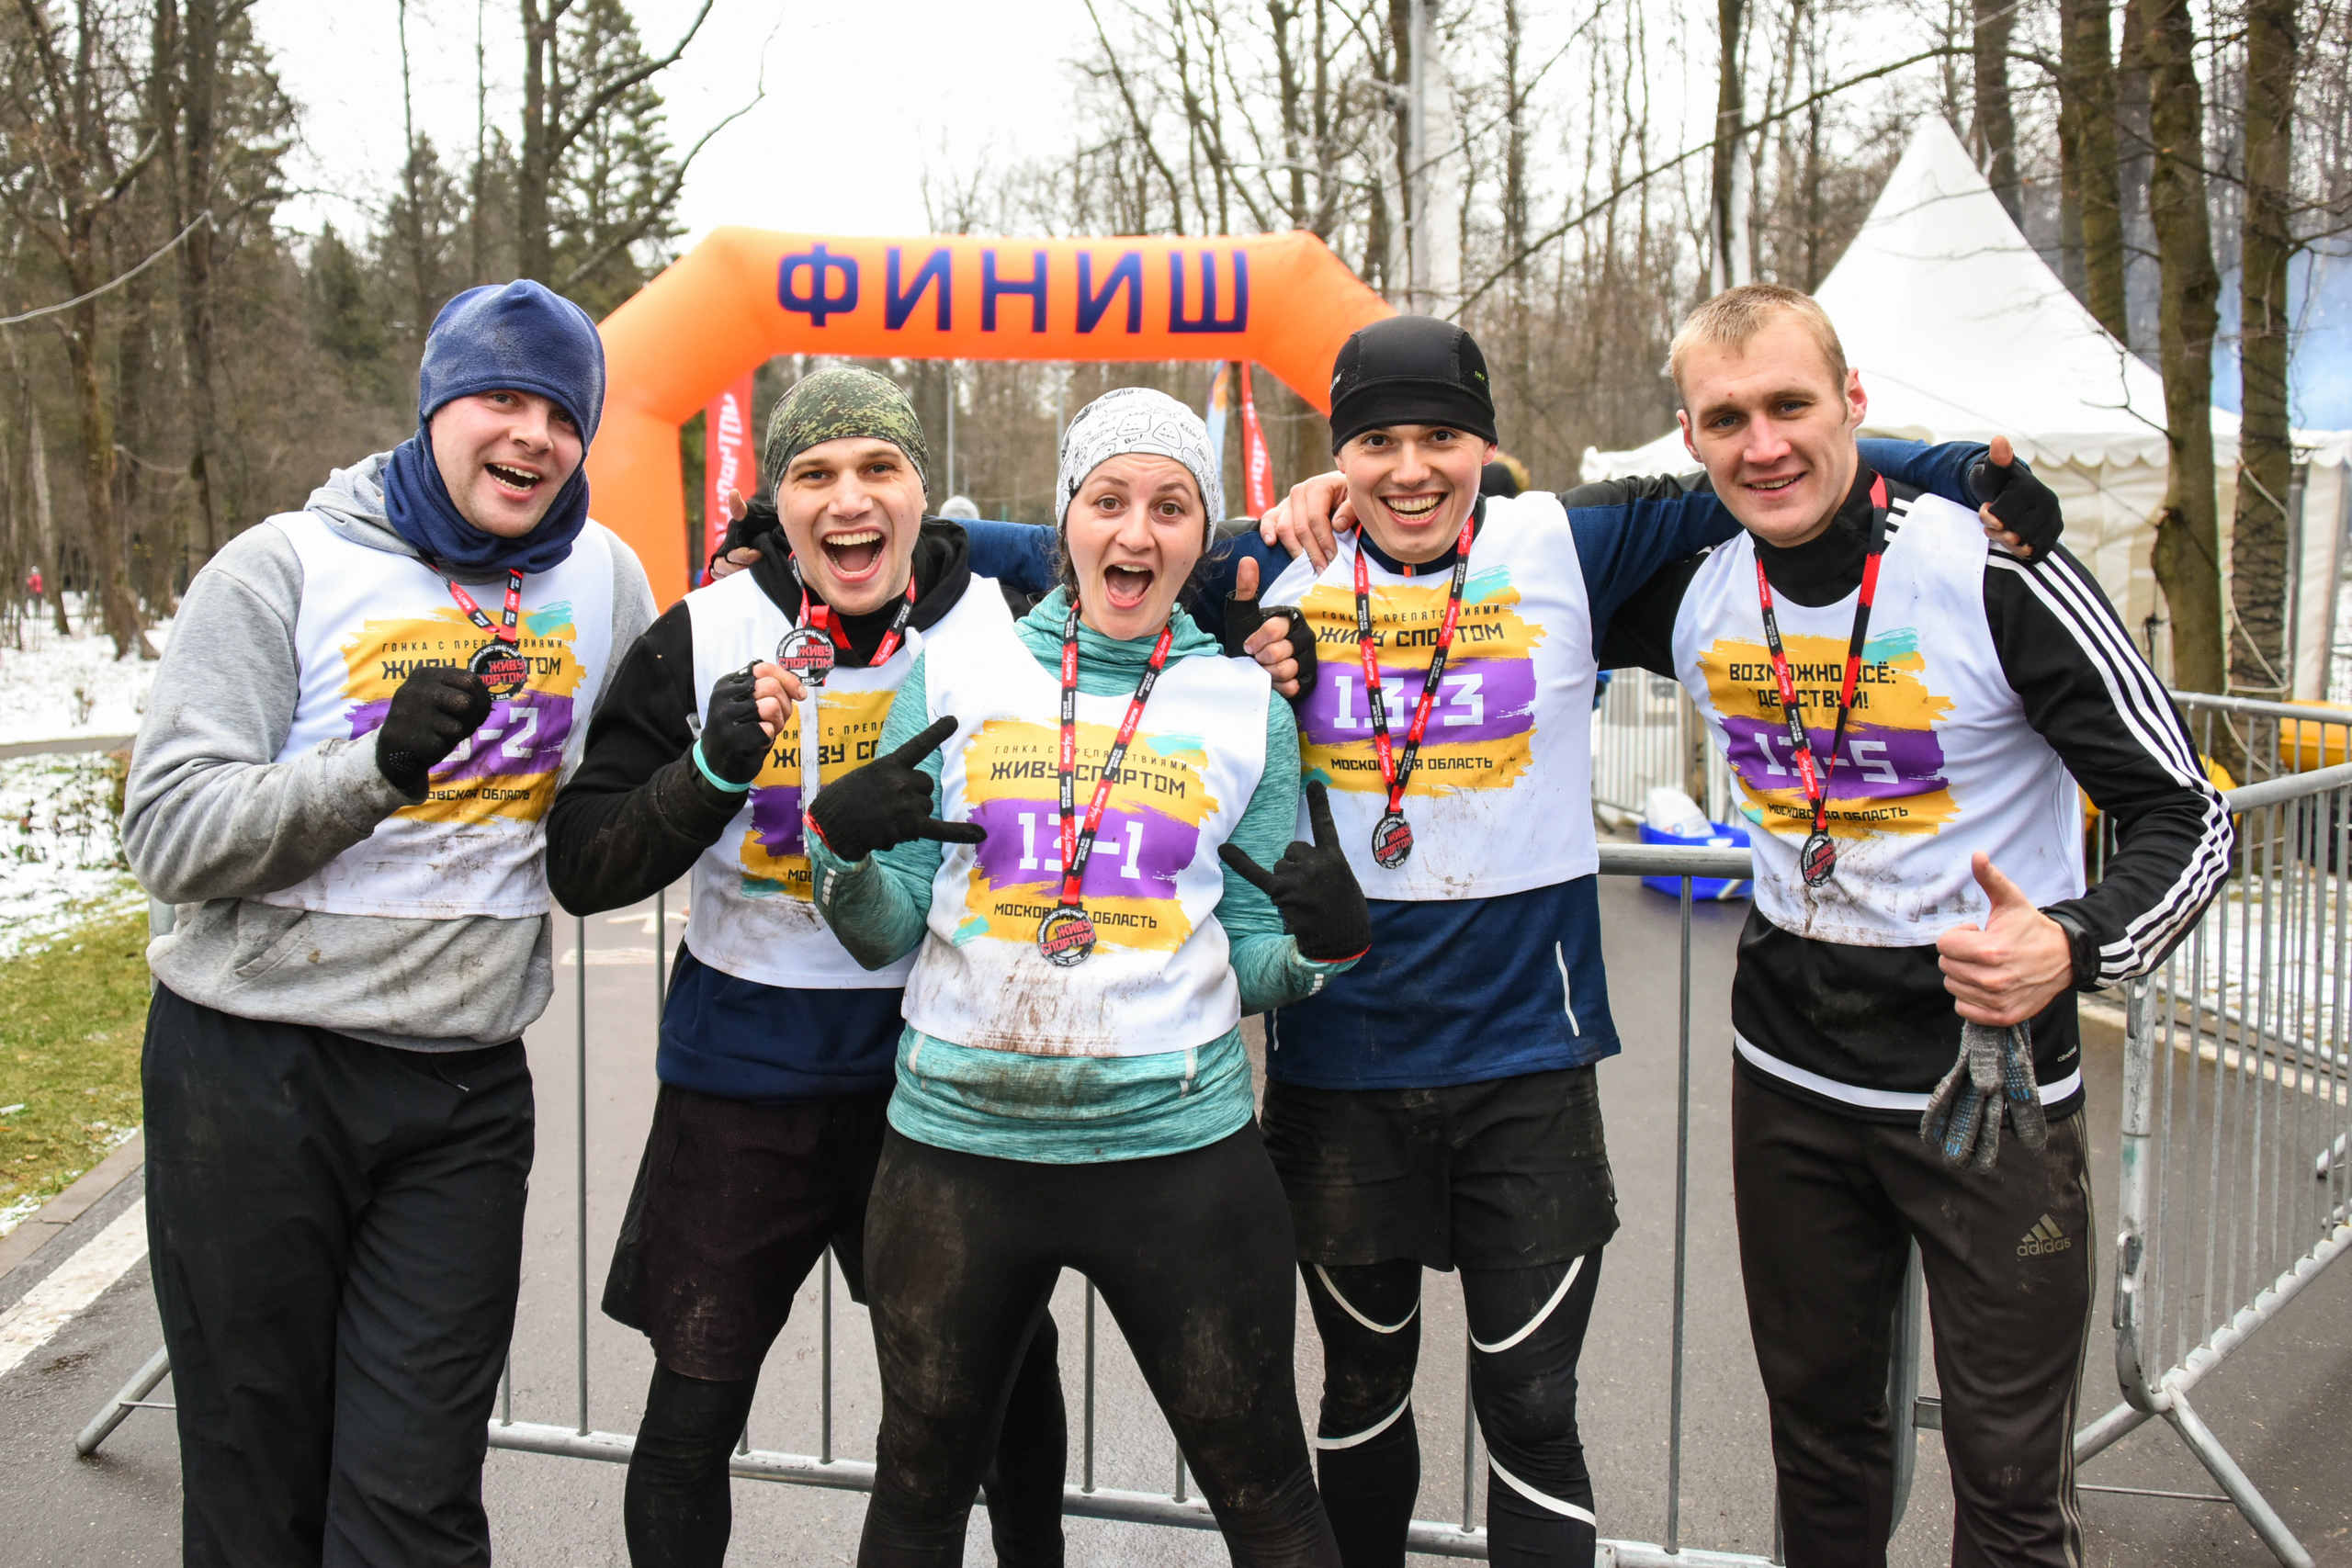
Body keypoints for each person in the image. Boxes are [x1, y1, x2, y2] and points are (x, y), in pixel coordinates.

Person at [1217, 313, 2064, 1568]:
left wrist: (1958, 471)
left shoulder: (1567, 540)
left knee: (1532, 1409)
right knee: (1359, 1396)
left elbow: (1760, 461)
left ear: (1484, 443)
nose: (1410, 468)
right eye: (1376, 442)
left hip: (1527, 1062)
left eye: (1440, 436)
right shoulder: (1270, 567)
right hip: (1341, 1062)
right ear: (1335, 453)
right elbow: (1080, 560)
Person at [1597, 283, 2231, 1564]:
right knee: (1821, 1450)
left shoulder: (1992, 568)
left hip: (1988, 1082)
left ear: (1853, 404)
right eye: (1725, 419)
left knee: (2007, 1484)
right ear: (1690, 433)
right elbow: (1456, 552)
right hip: (1791, 1078)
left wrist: (2073, 943)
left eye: (1791, 405)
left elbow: (2189, 815)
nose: (1762, 445)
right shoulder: (1691, 585)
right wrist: (1322, 513)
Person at [123, 281, 654, 1567]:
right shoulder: (286, 566)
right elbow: (169, 833)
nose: (532, 436)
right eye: (501, 399)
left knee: (415, 1501)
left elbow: (629, 788)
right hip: (252, 1075)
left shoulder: (602, 577)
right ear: (434, 406)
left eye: (562, 415)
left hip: (460, 1092)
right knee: (259, 1488)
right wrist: (372, 770)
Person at [805, 387, 1373, 1568]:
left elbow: (1254, 960)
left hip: (1177, 1158)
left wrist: (1321, 950)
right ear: (1065, 518)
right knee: (917, 1493)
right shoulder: (955, 674)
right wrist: (841, 855)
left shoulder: (1244, 706)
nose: (1136, 532)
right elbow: (882, 929)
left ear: (1201, 536)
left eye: (1171, 507)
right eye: (1108, 500)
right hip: (957, 1154)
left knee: (1269, 1497)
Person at [545, 367, 1068, 1568]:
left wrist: (1296, 543)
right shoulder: (707, 630)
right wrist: (709, 775)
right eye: (815, 474)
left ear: (922, 490)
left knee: (997, 1395)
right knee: (694, 1410)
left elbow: (1171, 560)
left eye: (879, 468)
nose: (849, 499)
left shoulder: (1005, 623)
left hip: (941, 1076)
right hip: (745, 1078)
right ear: (776, 501)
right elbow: (582, 862)